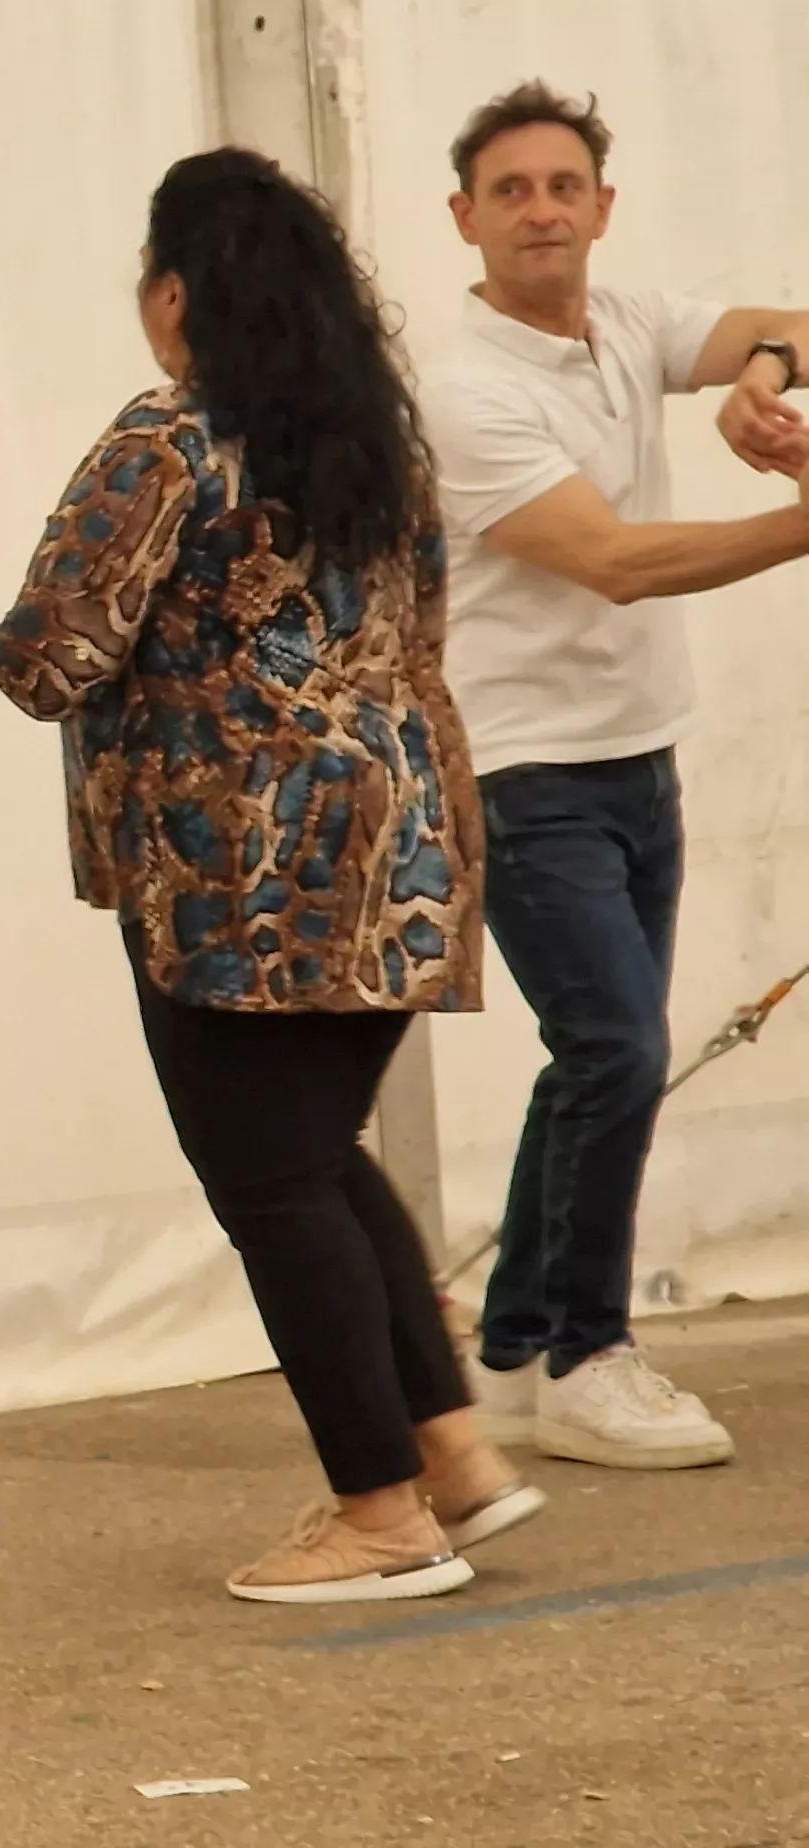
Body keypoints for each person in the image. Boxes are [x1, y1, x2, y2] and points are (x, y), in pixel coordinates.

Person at [0, 149, 542, 1602]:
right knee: (318, 1162)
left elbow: (48, 651)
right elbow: (417, 635)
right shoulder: (380, 449)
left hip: (237, 882)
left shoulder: (171, 440)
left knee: (272, 1186)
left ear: (175, 298)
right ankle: (451, 1461)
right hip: (405, 853)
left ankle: (376, 1515)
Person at [422, 82, 809, 1471]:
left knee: (591, 1057)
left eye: (562, 184)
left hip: (639, 756)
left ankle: (519, 1350)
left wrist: (759, 386)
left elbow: (789, 323)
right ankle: (591, 1350)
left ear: (601, 206)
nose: (540, 209)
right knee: (617, 1051)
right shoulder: (467, 394)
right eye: (510, 190)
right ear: (464, 219)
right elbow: (618, 562)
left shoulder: (628, 324)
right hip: (524, 771)